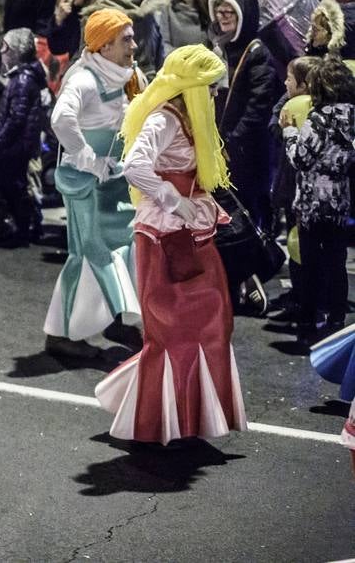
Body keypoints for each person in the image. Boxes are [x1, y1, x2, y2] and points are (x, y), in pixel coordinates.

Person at [95, 45, 248, 445]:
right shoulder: (165, 118)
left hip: (190, 227)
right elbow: (134, 165)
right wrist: (174, 200)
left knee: (214, 319)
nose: (215, 95)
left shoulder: (186, 116)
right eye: (210, 88)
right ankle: (161, 417)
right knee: (173, 328)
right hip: (167, 233)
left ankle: (179, 415)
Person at [45, 11, 143, 357]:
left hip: (118, 179)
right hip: (86, 182)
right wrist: (89, 159)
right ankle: (65, 334)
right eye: (126, 39)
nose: (134, 45)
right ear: (104, 46)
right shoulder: (84, 79)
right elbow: (61, 119)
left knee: (124, 247)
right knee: (90, 253)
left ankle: (117, 319)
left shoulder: (132, 76)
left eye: (132, 37)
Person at [283, 58, 355, 343]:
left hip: (313, 201)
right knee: (337, 262)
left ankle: (308, 322)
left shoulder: (320, 117)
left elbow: (300, 158)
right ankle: (337, 319)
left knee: (310, 263)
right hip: (339, 199)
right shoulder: (352, 115)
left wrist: (289, 131)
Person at [208, 0, 283, 236]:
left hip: (246, 147)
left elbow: (259, 106)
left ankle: (254, 257)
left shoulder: (256, 52)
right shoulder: (217, 47)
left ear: (244, 15)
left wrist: (233, 140)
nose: (223, 17)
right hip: (222, 141)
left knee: (247, 204)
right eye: (220, 11)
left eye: (230, 12)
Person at [0, 28, 48, 244]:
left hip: (16, 145)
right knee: (12, 184)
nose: (2, 52)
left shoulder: (22, 80)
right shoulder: (22, 77)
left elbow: (16, 118)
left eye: (5, 48)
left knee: (9, 184)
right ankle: (17, 224)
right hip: (19, 143)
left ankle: (20, 227)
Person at [82, 0, 164, 76]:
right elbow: (159, 53)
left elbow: (86, 60)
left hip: (112, 87)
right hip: (148, 83)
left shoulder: (95, 17)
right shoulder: (145, 6)